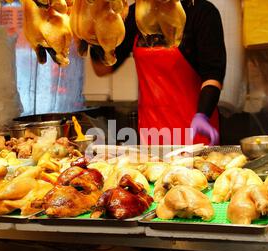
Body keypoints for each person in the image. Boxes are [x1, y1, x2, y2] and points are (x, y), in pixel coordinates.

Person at [90, 0, 226, 145]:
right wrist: (95, 34)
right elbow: (102, 68)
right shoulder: (135, 15)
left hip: (195, 134)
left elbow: (213, 75)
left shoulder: (202, 12)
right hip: (151, 136)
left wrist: (203, 115)